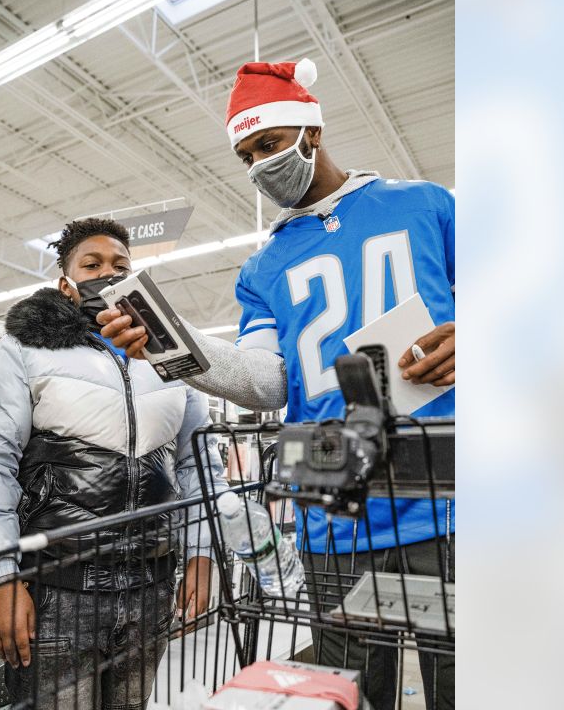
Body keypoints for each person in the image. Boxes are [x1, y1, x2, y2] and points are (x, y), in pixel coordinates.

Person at [98, 59, 455, 709]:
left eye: (268, 144)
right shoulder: (264, 267)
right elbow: (265, 381)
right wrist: (174, 344)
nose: (260, 165)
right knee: (347, 691)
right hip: (334, 506)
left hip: (442, 494)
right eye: (245, 155)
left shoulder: (427, 207)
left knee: (458, 680)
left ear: (310, 132)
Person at [0, 217, 227, 709]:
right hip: (59, 589)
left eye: (120, 265)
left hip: (151, 584)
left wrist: (202, 553)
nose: (107, 274)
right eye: (92, 265)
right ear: (66, 285)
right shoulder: (25, 350)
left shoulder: (168, 358)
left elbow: (199, 461)